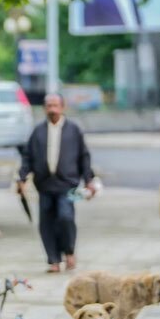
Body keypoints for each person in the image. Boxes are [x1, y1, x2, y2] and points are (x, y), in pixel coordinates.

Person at [17, 93, 97, 273]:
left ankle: (69, 251)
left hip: (67, 184)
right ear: (45, 108)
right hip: (44, 184)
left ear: (62, 107)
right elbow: (27, 157)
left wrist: (89, 180)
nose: (52, 109)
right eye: (49, 106)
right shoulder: (38, 131)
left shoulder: (73, 130)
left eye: (55, 105)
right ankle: (53, 259)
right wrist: (21, 177)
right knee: (46, 222)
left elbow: (84, 157)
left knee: (65, 217)